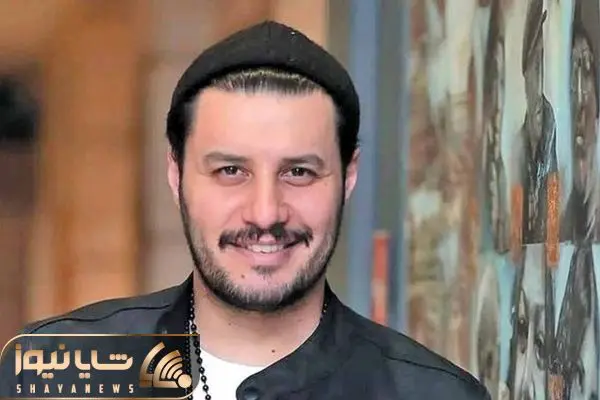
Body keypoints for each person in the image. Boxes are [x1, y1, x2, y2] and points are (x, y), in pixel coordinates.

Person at [0, 21, 490, 399]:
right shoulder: (56, 373)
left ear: (348, 177)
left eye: (299, 172)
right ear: (176, 175)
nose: (265, 213)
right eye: (231, 170)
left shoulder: (431, 395)